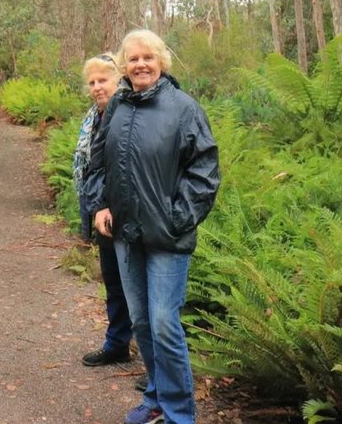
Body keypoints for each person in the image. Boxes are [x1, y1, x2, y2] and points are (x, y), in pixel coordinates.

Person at [88, 30, 220, 424]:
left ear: (161, 61)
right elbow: (99, 161)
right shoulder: (116, 108)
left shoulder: (183, 108)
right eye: (133, 59)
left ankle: (180, 414)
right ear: (124, 65)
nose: (141, 64)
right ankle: (156, 397)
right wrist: (101, 204)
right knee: (142, 320)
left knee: (164, 322)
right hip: (126, 235)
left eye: (148, 57)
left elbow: (205, 171)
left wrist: (177, 217)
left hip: (167, 236)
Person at [72, 54, 136, 377]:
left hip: (129, 215)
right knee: (113, 282)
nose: (97, 87)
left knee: (138, 288)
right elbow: (92, 167)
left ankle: (159, 371)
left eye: (103, 80)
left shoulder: (128, 113)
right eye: (92, 82)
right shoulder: (94, 117)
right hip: (104, 213)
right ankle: (117, 344)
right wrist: (97, 207)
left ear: (118, 80)